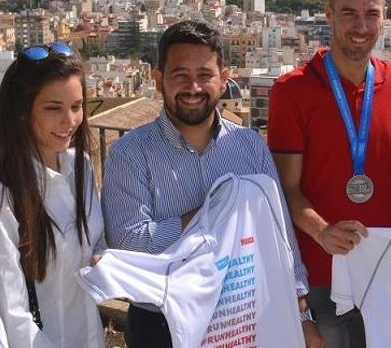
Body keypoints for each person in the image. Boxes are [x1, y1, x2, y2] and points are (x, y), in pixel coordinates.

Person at [100, 20, 320, 348]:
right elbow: (130, 248)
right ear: (159, 80)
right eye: (180, 75)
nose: (193, 87)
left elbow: (280, 238)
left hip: (241, 316)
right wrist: (219, 212)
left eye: (205, 75)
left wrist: (302, 314)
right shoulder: (129, 155)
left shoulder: (250, 147)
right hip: (161, 325)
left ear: (224, 79)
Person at [268, 0, 391, 347]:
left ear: (385, 18)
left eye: (371, 13)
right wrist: (323, 232)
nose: (361, 25)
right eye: (349, 13)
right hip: (324, 273)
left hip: (390, 272)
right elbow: (287, 188)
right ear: (329, 14)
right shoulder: (293, 91)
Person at [0, 43, 106, 348]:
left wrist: (102, 256)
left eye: (77, 106)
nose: (69, 121)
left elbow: (94, 239)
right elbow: (10, 316)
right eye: (53, 108)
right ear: (21, 112)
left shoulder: (79, 168)